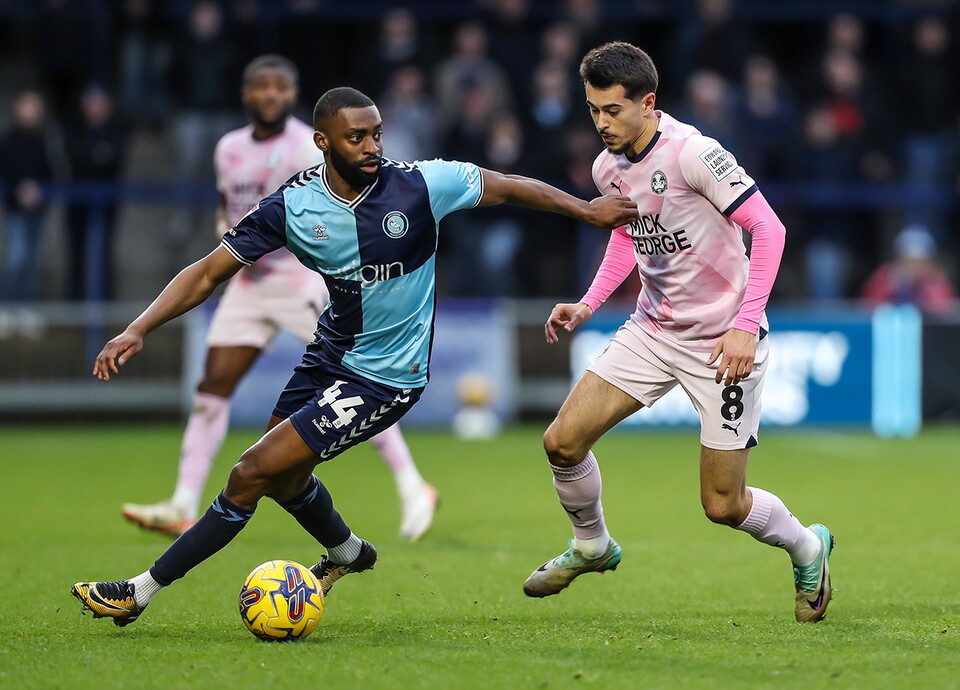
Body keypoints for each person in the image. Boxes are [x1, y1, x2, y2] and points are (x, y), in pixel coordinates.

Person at [71, 86, 637, 627]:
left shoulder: (419, 185)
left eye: (377, 135)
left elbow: (509, 186)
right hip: (329, 357)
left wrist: (587, 212)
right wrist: (139, 327)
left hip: (387, 377)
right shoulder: (295, 206)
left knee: (249, 472)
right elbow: (209, 272)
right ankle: (347, 552)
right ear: (323, 142)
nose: (372, 148)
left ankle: (139, 592)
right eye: (356, 138)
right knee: (285, 480)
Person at [521, 42, 835, 623]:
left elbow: (769, 230)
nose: (602, 123)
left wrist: (745, 327)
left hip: (723, 344)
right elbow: (627, 234)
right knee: (561, 442)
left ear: (648, 102)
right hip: (653, 328)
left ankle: (808, 546)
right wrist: (590, 303)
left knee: (722, 504)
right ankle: (592, 545)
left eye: (613, 110)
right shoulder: (605, 165)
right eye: (592, 110)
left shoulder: (694, 154)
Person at [120, 56, 438, 543]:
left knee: (354, 383)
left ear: (291, 96)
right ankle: (182, 501)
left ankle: (412, 485)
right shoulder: (227, 148)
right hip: (247, 285)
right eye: (261, 87)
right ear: (246, 94)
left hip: (301, 282)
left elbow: (333, 218)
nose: (270, 95)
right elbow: (231, 212)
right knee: (212, 387)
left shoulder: (312, 145)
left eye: (280, 87)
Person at [0, 90, 56, 302]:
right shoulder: (7, 140)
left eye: (35, 108)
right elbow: (6, 170)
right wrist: (19, 189)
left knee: (33, 261)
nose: (31, 112)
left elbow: (49, 170)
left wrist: (38, 190)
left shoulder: (42, 141)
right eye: (27, 107)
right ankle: (5, 307)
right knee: (17, 257)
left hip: (37, 209)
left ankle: (26, 307)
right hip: (15, 209)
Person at [861, 225, 956, 314]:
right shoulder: (883, 276)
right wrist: (895, 286)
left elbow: (943, 312)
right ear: (899, 258)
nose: (914, 266)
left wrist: (926, 286)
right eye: (909, 260)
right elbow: (867, 306)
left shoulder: (936, 280)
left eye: (919, 261)